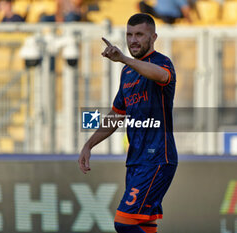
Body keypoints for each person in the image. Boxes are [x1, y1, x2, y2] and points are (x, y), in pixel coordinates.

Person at [78, 13, 178, 233]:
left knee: (124, 223)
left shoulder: (161, 62)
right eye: (129, 34)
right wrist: (89, 145)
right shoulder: (127, 73)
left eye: (139, 34)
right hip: (136, 159)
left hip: (157, 157)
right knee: (145, 224)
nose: (133, 40)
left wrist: (124, 58)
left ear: (153, 37)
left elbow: (161, 76)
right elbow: (116, 114)